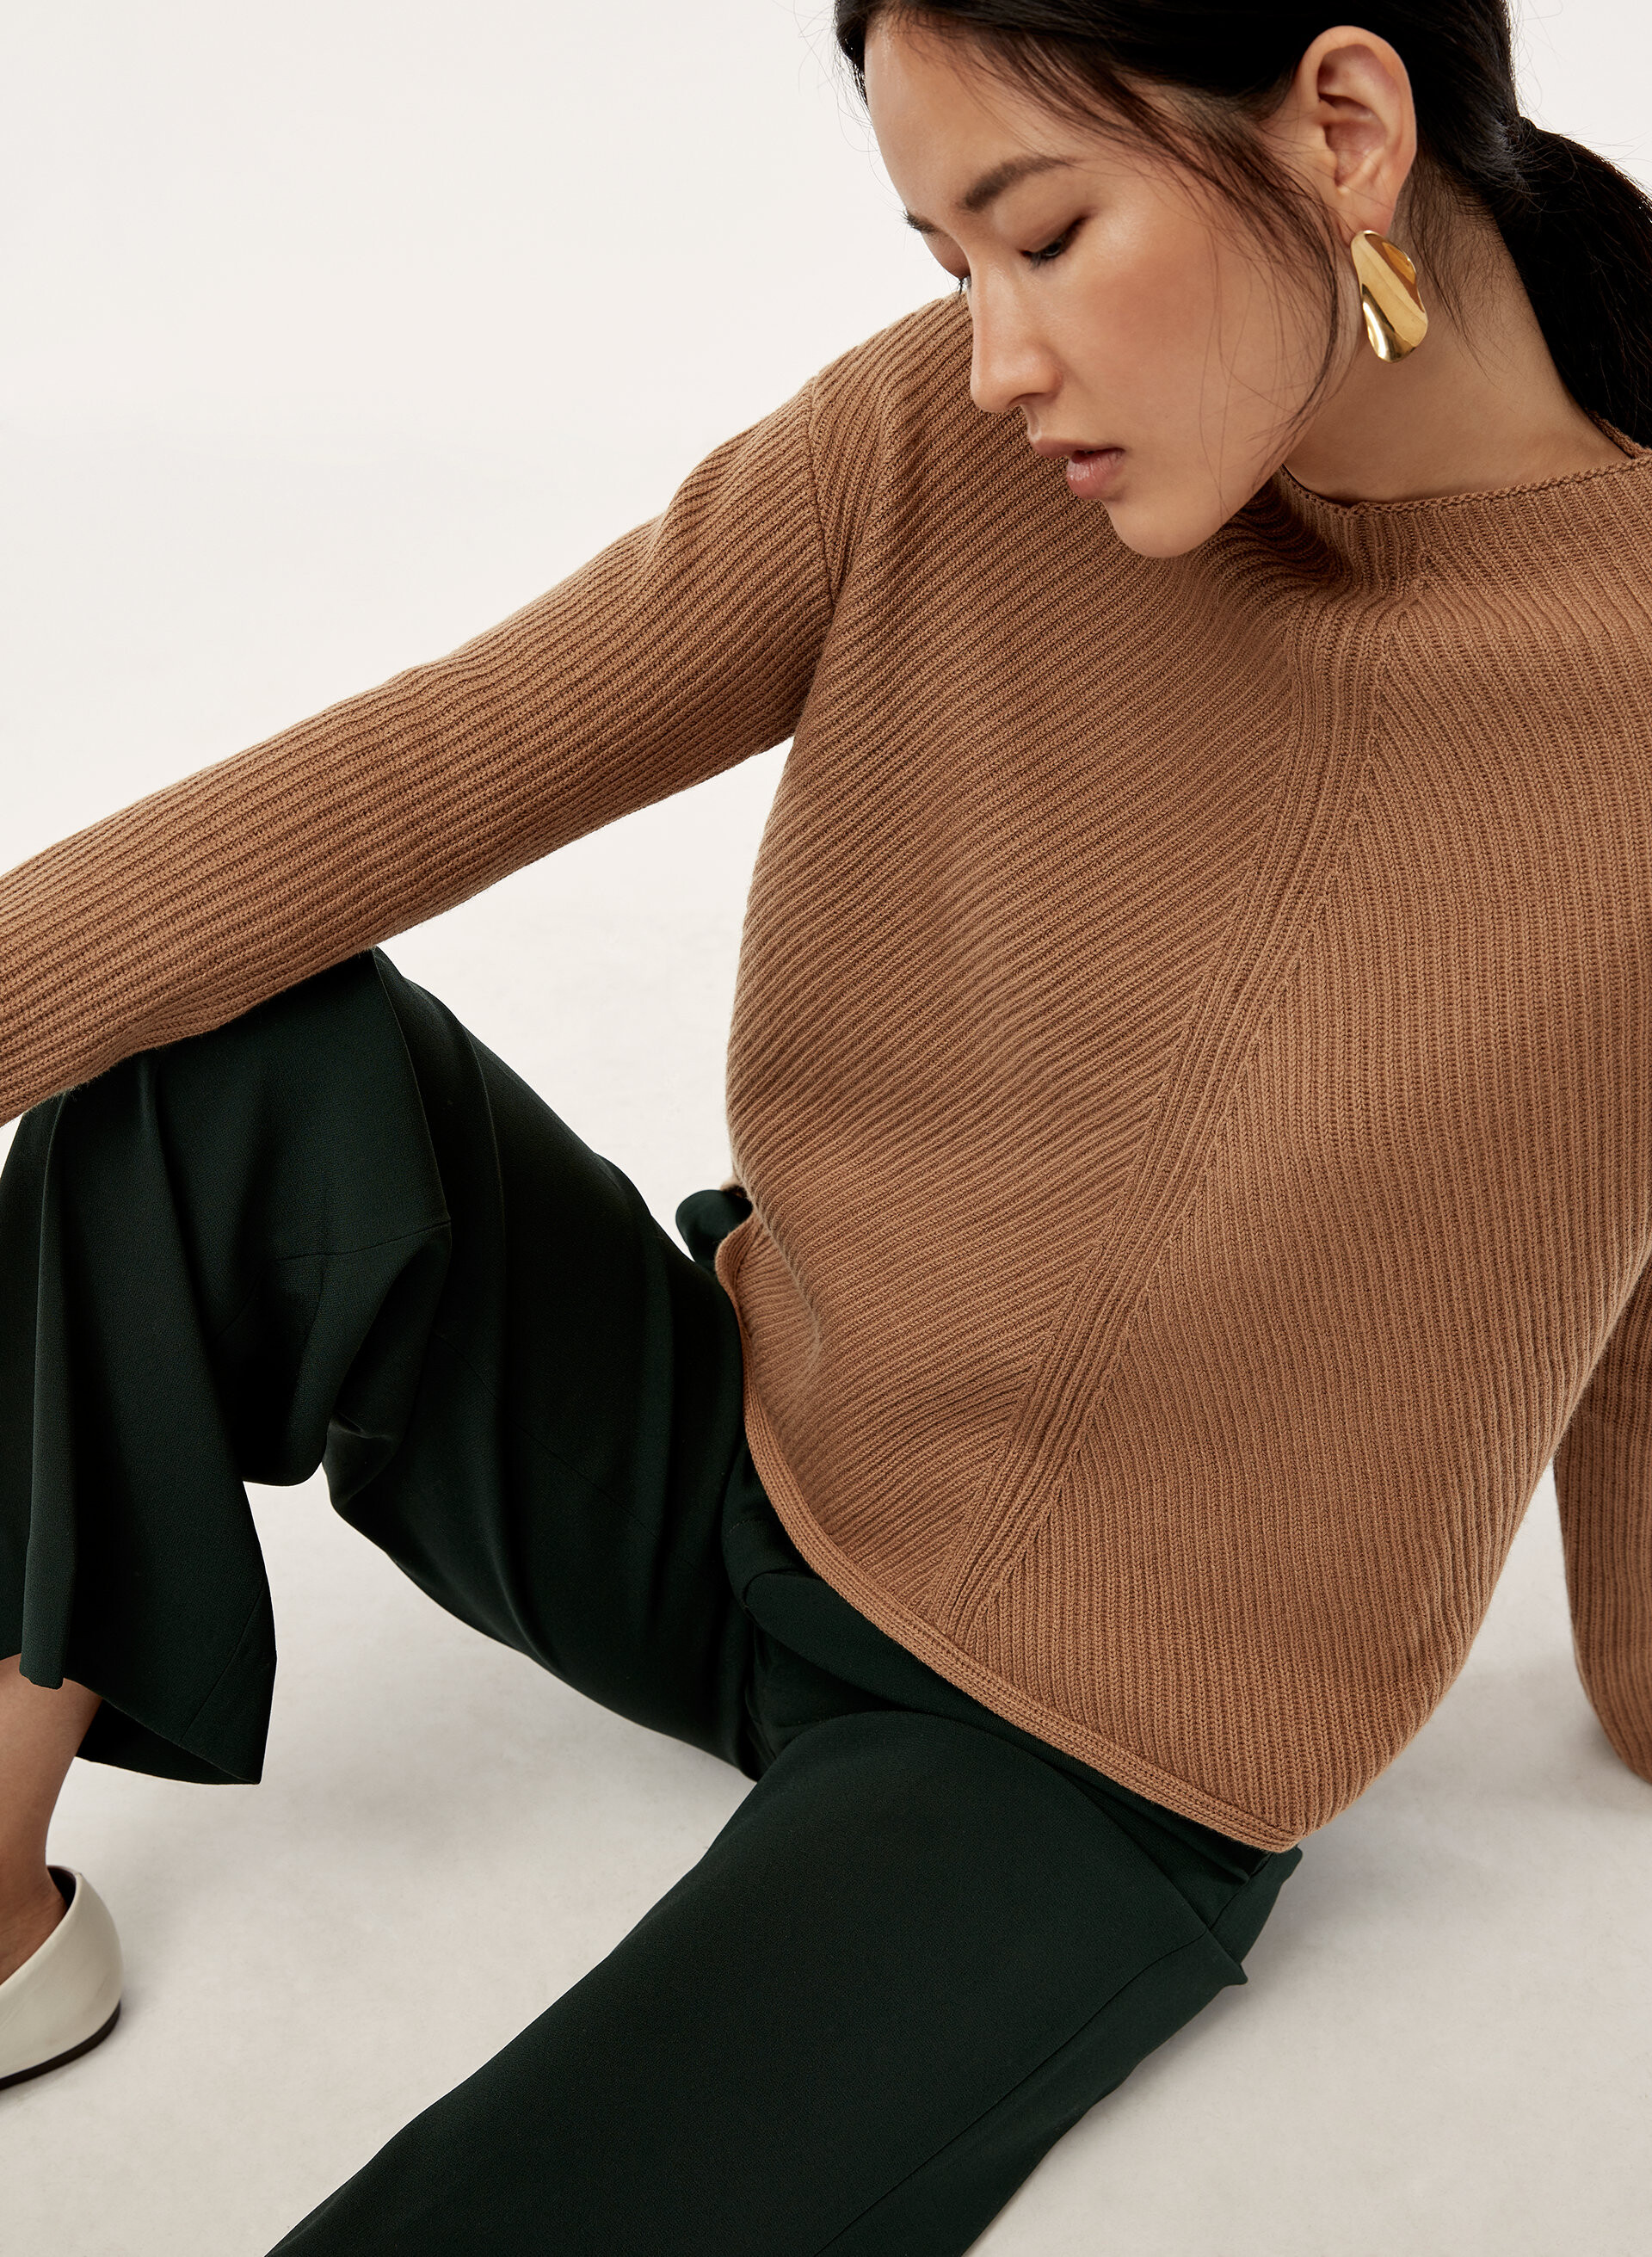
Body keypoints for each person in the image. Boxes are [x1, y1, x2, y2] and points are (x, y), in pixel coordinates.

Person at [3, 1, 1649, 2247]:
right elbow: (425, 769)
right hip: (729, 1462)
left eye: (1043, 237)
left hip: (1072, 1770)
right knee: (214, 1060)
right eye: (948, 262)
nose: (995, 362)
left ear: (1346, 126)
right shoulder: (936, 455)